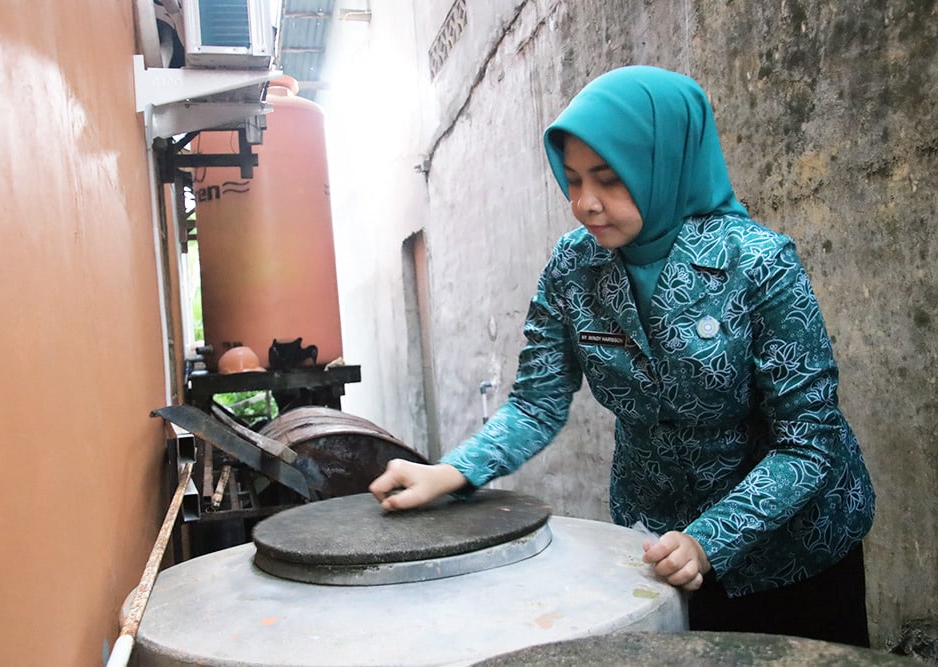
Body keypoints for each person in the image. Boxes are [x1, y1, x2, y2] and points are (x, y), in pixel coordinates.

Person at [368, 65, 875, 646]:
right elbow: (536, 403)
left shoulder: (758, 264)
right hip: (658, 545)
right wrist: (450, 473)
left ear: (663, 166)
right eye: (573, 179)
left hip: (795, 549)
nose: (585, 203)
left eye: (610, 180)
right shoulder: (574, 267)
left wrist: (708, 539)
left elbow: (808, 440)